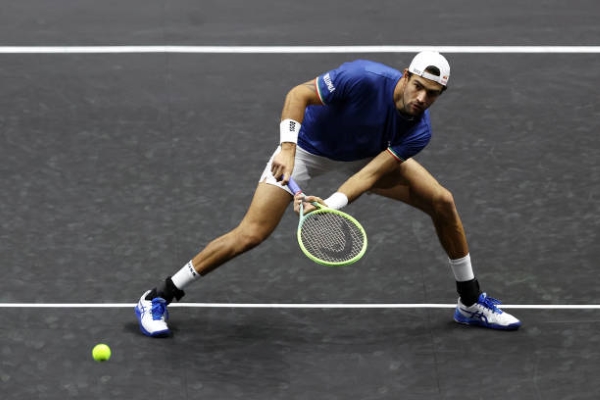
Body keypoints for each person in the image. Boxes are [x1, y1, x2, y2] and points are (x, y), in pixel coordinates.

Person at [135, 51, 521, 337]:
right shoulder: (362, 77)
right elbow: (298, 94)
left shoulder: (419, 130)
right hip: (304, 151)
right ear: (405, 77)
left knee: (443, 201)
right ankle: (158, 296)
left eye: (433, 94)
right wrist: (287, 148)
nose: (422, 98)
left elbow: (371, 175)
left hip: (365, 157)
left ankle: (470, 303)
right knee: (251, 233)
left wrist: (330, 205)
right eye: (418, 86)